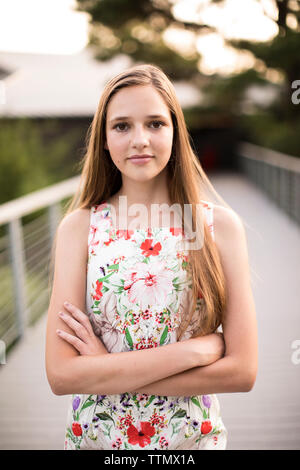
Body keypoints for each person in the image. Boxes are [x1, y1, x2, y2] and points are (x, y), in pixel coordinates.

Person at [45, 63, 258, 450]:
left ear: (176, 133)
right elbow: (61, 375)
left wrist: (103, 370)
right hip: (97, 442)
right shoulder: (79, 229)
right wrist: (195, 351)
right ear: (104, 140)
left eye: (156, 123)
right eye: (122, 126)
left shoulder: (219, 227)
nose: (140, 139)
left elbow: (242, 371)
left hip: (191, 445)